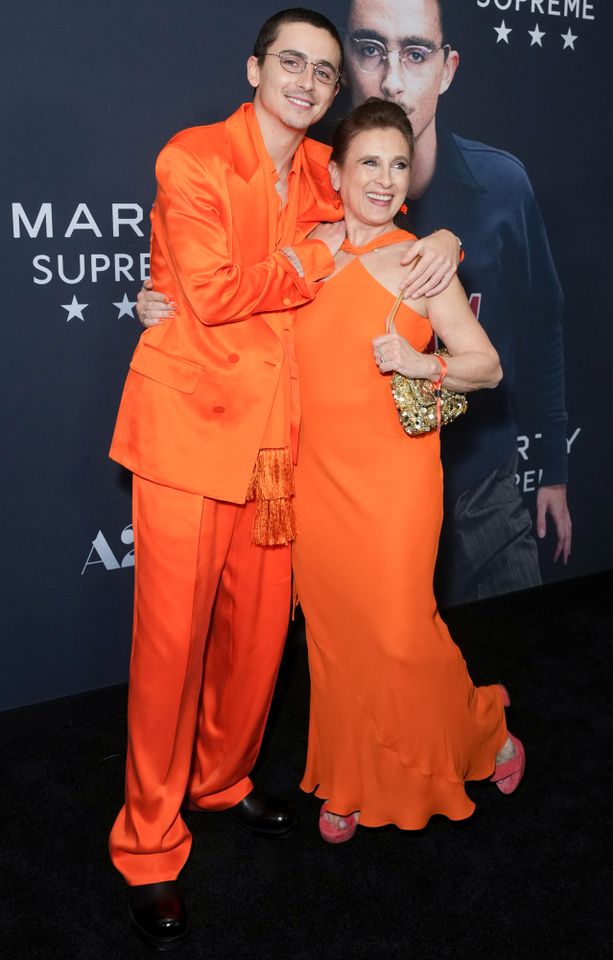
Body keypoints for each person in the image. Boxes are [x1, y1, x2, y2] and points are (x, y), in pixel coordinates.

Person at [110, 7, 460, 950]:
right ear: (256, 66)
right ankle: (147, 846)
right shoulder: (193, 158)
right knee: (171, 653)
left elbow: (384, 213)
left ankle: (220, 782)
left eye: (324, 72)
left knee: (260, 642)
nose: (308, 82)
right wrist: (306, 258)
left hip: (282, 452)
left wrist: (444, 248)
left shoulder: (319, 166)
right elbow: (217, 290)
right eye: (291, 63)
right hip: (188, 436)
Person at [290, 97, 524, 842]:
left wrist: (421, 362)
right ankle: (351, 778)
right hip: (313, 481)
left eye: (398, 164)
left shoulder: (420, 258)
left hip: (394, 481)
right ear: (335, 171)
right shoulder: (307, 252)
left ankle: (487, 735)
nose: (385, 179)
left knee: (397, 632)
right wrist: (162, 302)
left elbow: (485, 367)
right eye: (369, 163)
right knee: (334, 638)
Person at [342, 0, 572, 605]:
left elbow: (542, 327)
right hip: (365, 495)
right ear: (347, 59)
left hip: (482, 486)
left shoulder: (502, 186)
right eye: (370, 50)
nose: (392, 79)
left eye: (416, 54)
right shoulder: (315, 190)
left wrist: (554, 470)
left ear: (447, 69)